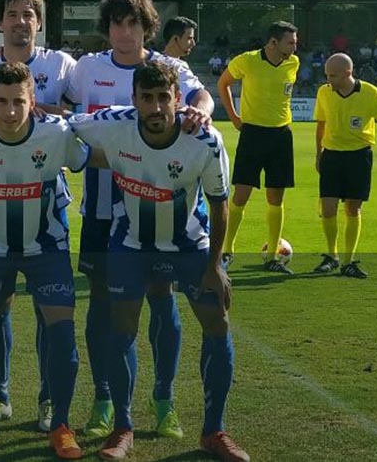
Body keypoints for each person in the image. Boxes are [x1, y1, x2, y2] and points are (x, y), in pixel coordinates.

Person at [72, 62, 248, 462]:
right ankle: (123, 427)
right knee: (123, 328)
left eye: (163, 98)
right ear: (134, 100)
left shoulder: (204, 139)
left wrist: (215, 266)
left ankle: (214, 431)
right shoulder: (112, 124)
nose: (155, 107)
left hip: (189, 247)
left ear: (176, 99)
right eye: (146, 98)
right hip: (131, 246)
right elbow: (62, 124)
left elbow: (221, 206)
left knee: (216, 323)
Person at [64, 0, 214, 441]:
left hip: (161, 209)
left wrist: (199, 112)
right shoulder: (86, 70)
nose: (124, 33)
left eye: (133, 24)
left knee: (161, 297)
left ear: (147, 27)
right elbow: (64, 117)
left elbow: (204, 98)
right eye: (116, 23)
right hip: (103, 209)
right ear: (106, 27)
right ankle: (104, 397)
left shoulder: (168, 69)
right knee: (103, 306)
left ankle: (163, 398)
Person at [0, 61, 95, 460]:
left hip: (45, 248)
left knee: (62, 335)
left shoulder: (57, 134)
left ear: (33, 102)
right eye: (2, 102)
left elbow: (84, 157)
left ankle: (60, 424)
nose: (10, 112)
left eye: (19, 102)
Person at [0, 0, 77, 433]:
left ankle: (49, 401)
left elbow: (84, 118)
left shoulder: (63, 65)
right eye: (12, 14)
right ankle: (0, 396)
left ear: (39, 21)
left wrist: (35, 109)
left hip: (46, 210)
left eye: (29, 14)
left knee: (50, 313)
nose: (21, 21)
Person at [216, 21, 300, 274]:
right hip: (252, 134)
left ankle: (272, 256)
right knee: (241, 195)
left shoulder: (293, 63)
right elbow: (223, 83)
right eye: (291, 42)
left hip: (281, 136)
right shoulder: (247, 61)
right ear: (273, 42)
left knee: (276, 197)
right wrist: (233, 116)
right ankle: (226, 251)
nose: (295, 47)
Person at [313, 53, 377, 280]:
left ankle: (349, 261)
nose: (328, 79)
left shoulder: (369, 92)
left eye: (332, 75)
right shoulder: (324, 92)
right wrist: (319, 153)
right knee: (328, 209)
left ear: (347, 73)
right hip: (331, 156)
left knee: (353, 209)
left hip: (359, 158)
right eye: (326, 75)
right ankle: (332, 256)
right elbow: (321, 124)